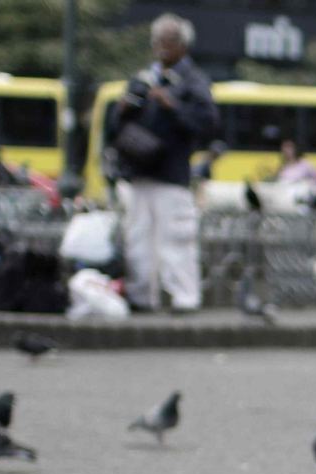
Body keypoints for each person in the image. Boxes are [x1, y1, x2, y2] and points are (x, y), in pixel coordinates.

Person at [106, 13, 216, 313]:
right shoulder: (142, 78)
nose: (162, 47)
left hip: (171, 174)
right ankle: (142, 297)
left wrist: (173, 105)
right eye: (158, 41)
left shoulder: (193, 81)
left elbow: (207, 122)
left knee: (176, 238)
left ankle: (184, 299)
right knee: (137, 238)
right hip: (138, 172)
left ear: (184, 45)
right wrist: (123, 109)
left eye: (169, 41)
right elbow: (114, 127)